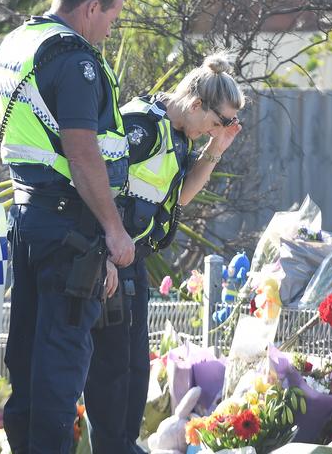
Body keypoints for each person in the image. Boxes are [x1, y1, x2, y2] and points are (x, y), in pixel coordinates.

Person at [0, 0, 134, 452]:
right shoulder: (75, 59)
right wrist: (114, 231)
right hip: (70, 228)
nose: (110, 31)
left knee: (29, 356)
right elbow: (82, 152)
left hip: (29, 219)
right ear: (92, 7)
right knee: (61, 360)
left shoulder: (19, 43)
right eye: (111, 18)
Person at [84, 53, 246, 453]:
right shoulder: (142, 125)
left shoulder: (177, 132)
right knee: (111, 368)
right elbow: (95, 186)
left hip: (133, 259)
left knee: (136, 367)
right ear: (195, 105)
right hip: (109, 255)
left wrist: (216, 147)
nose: (210, 130)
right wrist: (104, 255)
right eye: (212, 122)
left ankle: (125, 443)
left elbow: (181, 196)